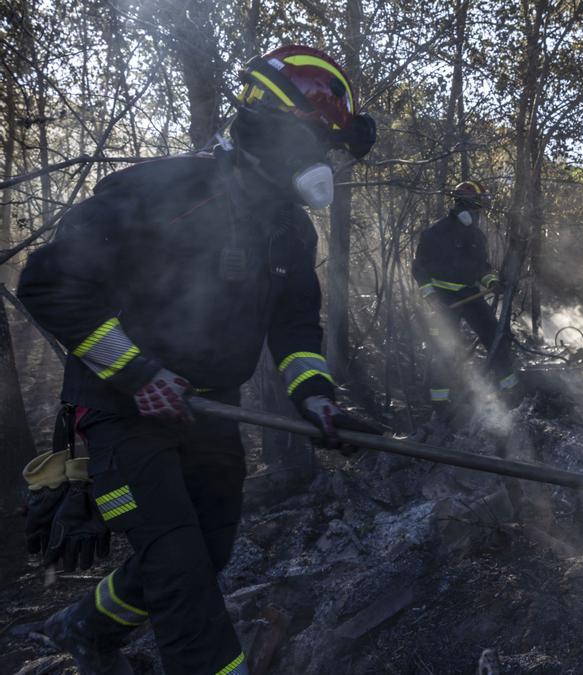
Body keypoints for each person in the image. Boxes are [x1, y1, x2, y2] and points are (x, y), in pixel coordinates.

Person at [17, 44, 378, 675]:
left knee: (208, 552)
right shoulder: (163, 189)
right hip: (120, 409)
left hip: (212, 410)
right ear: (269, 128)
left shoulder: (291, 228)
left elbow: (293, 327)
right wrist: (138, 373)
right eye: (313, 145)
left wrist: (316, 397)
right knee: (181, 573)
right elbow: (48, 284)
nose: (320, 164)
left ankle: (86, 625)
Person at [412, 181, 519, 433]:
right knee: (445, 351)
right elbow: (419, 269)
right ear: (464, 205)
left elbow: (481, 269)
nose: (479, 212)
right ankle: (441, 407)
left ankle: (510, 395)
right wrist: (431, 297)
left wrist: (493, 283)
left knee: (497, 337)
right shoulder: (435, 233)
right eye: (476, 206)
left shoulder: (476, 236)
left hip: (470, 295)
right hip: (444, 299)